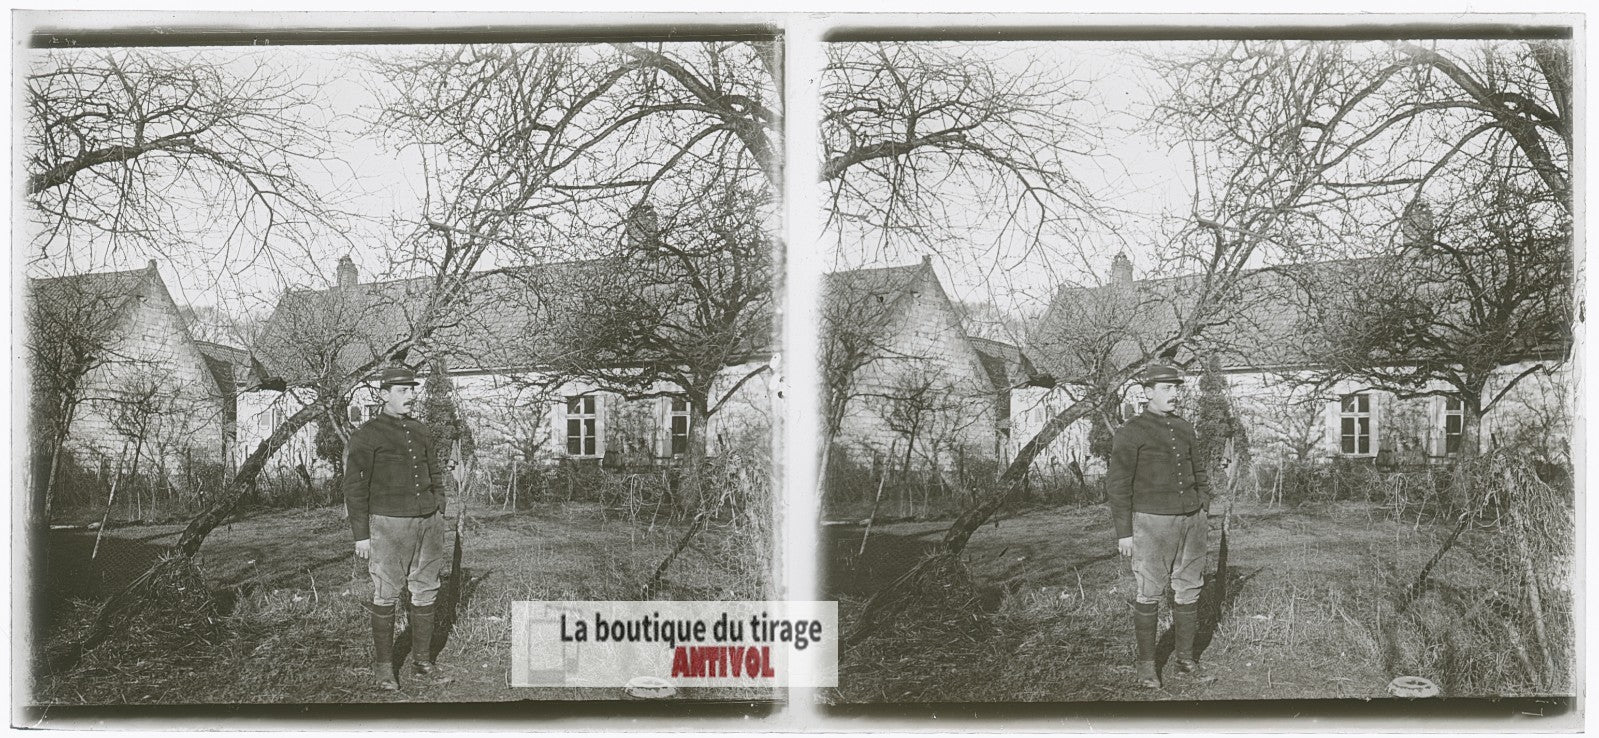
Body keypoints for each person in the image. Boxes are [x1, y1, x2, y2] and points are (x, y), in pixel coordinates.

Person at [1105, 363, 1211, 689]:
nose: (1175, 395)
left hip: (1192, 520)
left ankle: (1184, 660)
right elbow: (1118, 485)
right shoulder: (1131, 431)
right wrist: (1125, 531)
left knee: (1189, 588)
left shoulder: (1185, 427)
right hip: (1151, 524)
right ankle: (1147, 666)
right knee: (1149, 591)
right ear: (1148, 392)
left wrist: (1203, 506)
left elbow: (1199, 471)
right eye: (1167, 389)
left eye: (1177, 388)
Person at [344, 366, 449, 690]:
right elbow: (354, 488)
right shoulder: (367, 434)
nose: (411, 396)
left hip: (428, 523)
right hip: (389, 526)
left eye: (412, 390)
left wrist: (440, 510)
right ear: (383, 394)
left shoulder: (421, 430)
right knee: (386, 593)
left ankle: (422, 662)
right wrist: (361, 534)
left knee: (426, 589)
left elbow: (435, 472)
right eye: (403, 390)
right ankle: (385, 667)